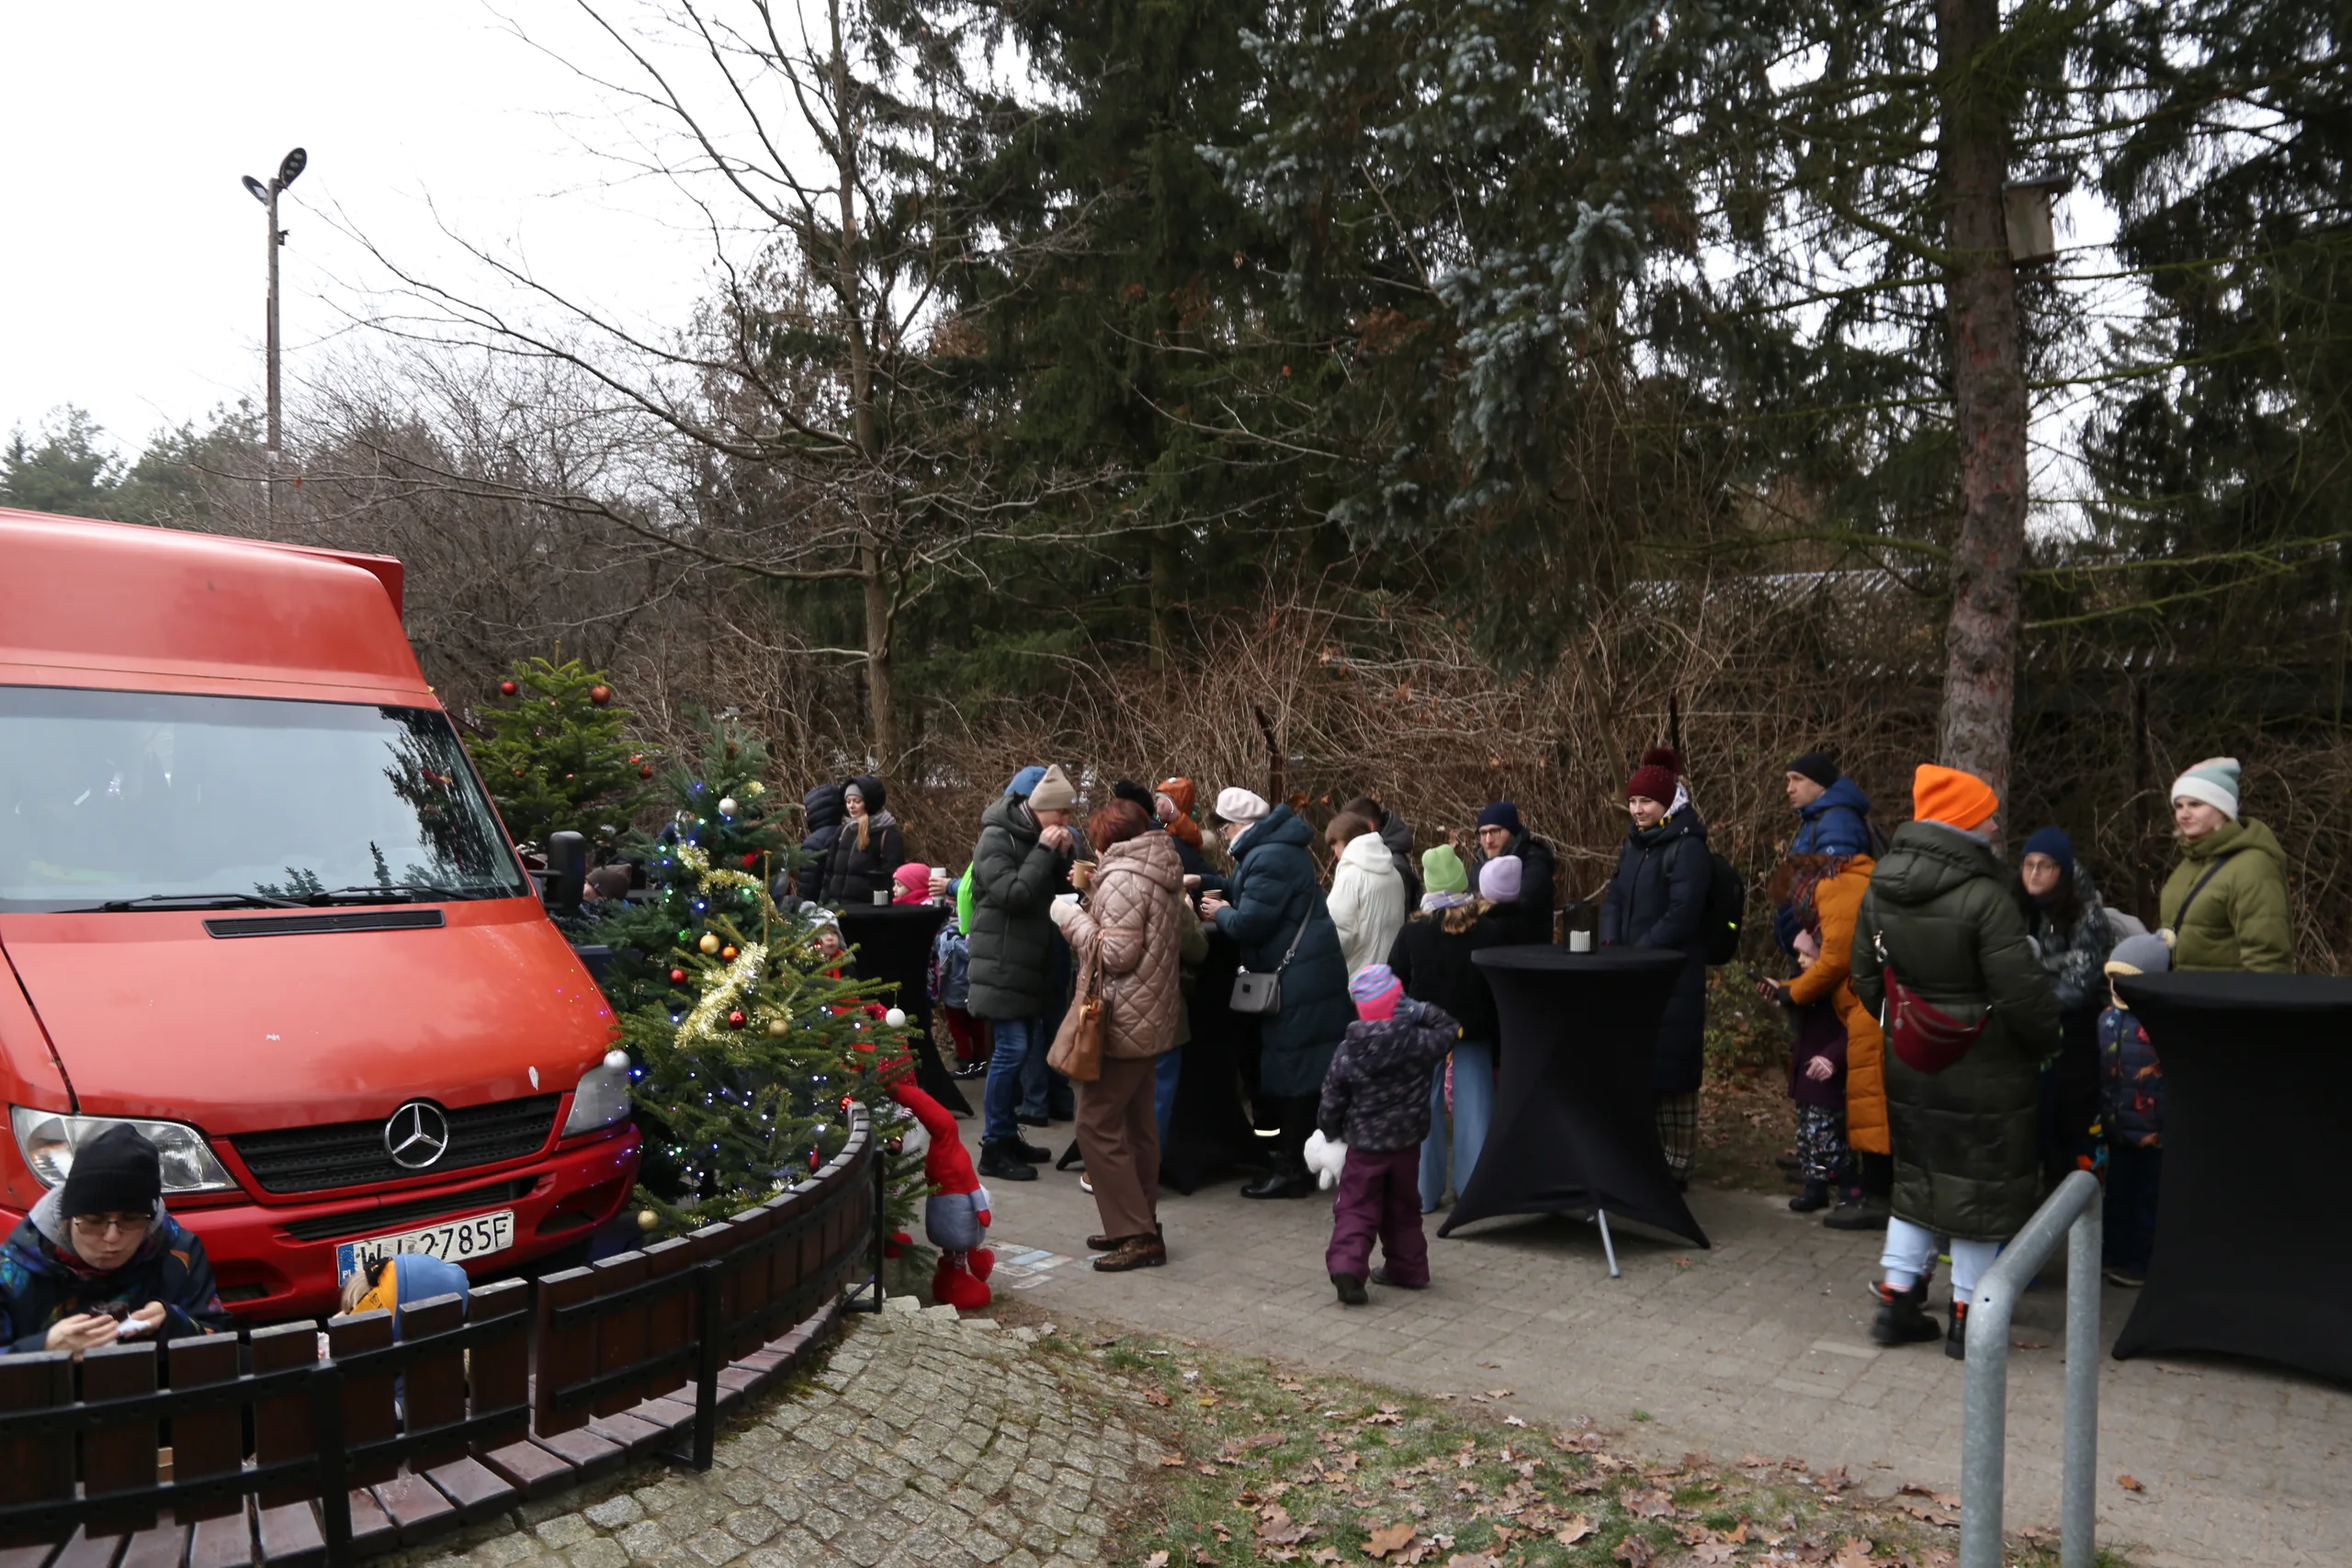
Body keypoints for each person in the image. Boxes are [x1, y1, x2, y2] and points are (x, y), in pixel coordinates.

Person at [1851, 764, 2062, 1359]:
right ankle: (1969, 1320)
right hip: (1985, 1061)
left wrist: (1909, 1025)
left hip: (1910, 1055)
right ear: (1963, 821)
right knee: (1979, 1188)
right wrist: (2046, 1039)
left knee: (1918, 1176)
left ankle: (1896, 1301)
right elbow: (2021, 993)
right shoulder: (1986, 895)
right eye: (1987, 813)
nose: (1996, 822)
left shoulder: (1880, 883)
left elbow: (1867, 979)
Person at [1046, 798, 1187, 1272]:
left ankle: (1137, 1232)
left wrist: (1072, 920)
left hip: (1123, 1018)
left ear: (1110, 838)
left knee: (1094, 1124)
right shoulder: (1160, 869)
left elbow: (1119, 954)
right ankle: (1138, 1222)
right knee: (1136, 1125)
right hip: (1151, 1015)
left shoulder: (1126, 877)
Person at [1199, 787, 1353, 1199]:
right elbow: (1248, 888)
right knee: (1306, 1072)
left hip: (1296, 983)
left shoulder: (1268, 856)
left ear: (1241, 826)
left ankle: (1293, 1168)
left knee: (1293, 1074)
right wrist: (1208, 882)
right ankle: (1310, 1157)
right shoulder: (1275, 850)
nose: (1226, 835)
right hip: (1309, 977)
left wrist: (1221, 912)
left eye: (1227, 827)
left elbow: (1250, 921)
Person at [1, 1124, 232, 1354]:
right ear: (68, 1218)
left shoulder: (180, 1253)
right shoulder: (11, 1271)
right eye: (93, 1220)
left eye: (131, 1219)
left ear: (150, 1221)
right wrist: (43, 1348)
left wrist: (172, 1323)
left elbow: (222, 1345)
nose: (112, 1238)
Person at [1600, 749, 1712, 1190]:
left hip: (1673, 979)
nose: (1637, 809)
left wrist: (1640, 953)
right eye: (1632, 802)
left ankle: (1676, 1169)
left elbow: (1683, 915)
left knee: (1674, 1072)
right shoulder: (1633, 844)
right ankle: (1641, 1162)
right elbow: (1614, 899)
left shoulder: (1688, 849)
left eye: (1645, 802)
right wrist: (1611, 946)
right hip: (1633, 975)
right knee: (1639, 1065)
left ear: (1666, 802)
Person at [1317, 966, 1461, 1304]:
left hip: (1364, 1147)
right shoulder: (1418, 1042)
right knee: (1403, 1207)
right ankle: (1408, 1268)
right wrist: (1424, 1010)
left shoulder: (1348, 1051)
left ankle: (1349, 1268)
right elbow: (1452, 1029)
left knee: (1356, 1207)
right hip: (1407, 1144)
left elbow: (1331, 1100)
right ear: (1400, 1003)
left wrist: (1330, 1131)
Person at [967, 763, 1084, 1181]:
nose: (1066, 822)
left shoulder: (1036, 835)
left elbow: (1048, 889)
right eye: (1062, 815)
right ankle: (994, 1147)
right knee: (1011, 1050)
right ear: (1041, 810)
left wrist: (1066, 856)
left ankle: (1006, 1134)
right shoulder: (995, 837)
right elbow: (1013, 894)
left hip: (1027, 963)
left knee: (1019, 1047)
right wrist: (1045, 851)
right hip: (999, 962)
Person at [1768, 843, 1891, 1230]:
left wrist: (1791, 992)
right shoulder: (1848, 882)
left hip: (1867, 1006)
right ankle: (1864, 1189)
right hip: (1870, 999)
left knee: (1869, 1104)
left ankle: (1871, 1194)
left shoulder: (1830, 891)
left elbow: (1834, 959)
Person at [1387, 844, 1502, 1213]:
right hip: (1475, 1028)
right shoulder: (1489, 931)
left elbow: (1394, 981)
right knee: (1476, 1112)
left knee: (1423, 1109)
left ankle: (1422, 1192)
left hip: (1424, 1028)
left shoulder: (1414, 933)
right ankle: (1473, 1190)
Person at [2012, 827, 2117, 1187]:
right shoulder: (2017, 907)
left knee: (2071, 1123)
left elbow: (2080, 985)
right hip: (2034, 1031)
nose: (2035, 874)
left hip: (2077, 1033)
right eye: (2029, 864)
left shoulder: (2087, 915)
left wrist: (2028, 995)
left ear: (2063, 871)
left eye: (2045, 865)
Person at [2158, 758, 2293, 973]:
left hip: (2225, 1002)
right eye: (2179, 806)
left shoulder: (2253, 866)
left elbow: (2267, 957)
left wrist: (2252, 1004)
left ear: (2222, 809)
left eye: (2195, 804)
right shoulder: (2188, 863)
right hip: (2182, 1000)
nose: (2184, 814)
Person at [2098, 932, 2171, 1287]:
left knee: (2147, 1200)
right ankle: (2109, 1253)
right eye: (2114, 977)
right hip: (2117, 1127)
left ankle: (2140, 1262)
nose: (2117, 986)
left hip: (2153, 1131)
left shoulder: (2164, 1023)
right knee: (2116, 1196)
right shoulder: (2106, 1020)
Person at [1770, 929, 1849, 1213]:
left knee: (1824, 1137)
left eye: (1807, 955)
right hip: (1807, 1077)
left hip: (1826, 1079)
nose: (1801, 960)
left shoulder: (1836, 994)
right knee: (1807, 1136)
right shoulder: (1808, 989)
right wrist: (1779, 992)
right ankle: (1815, 1185)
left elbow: (1850, 1032)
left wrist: (1832, 1058)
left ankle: (1848, 1183)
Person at [1775, 752, 1876, 950]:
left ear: (1820, 783)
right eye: (1788, 781)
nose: (1789, 789)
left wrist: (1811, 940)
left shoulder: (1838, 822)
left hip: (1820, 946)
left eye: (1797, 779)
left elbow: (1837, 891)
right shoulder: (1818, 820)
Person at [1327, 812, 1407, 977]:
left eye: (1334, 846)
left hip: (1358, 982)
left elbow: (1337, 935)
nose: (1335, 854)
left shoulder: (1350, 877)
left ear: (1342, 840)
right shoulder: (1394, 873)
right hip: (1388, 978)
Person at [1472, 801, 1557, 945]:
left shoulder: (1534, 864)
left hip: (1528, 955)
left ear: (1512, 832)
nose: (1488, 840)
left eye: (1495, 831)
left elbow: (1521, 904)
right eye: (1483, 833)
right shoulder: (1478, 868)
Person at [819, 776, 907, 907]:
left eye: (857, 801)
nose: (851, 806)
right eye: (848, 801)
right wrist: (822, 905)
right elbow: (829, 874)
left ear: (869, 802)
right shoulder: (843, 831)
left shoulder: (887, 835)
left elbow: (892, 879)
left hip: (867, 913)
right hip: (835, 910)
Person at [1340, 795, 1421, 905]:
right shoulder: (1375, 860)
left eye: (1350, 831)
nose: (1346, 838)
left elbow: (1397, 919)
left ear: (1370, 827)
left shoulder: (1394, 867)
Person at [785, 782, 846, 901]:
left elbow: (809, 888)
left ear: (817, 811)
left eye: (807, 810)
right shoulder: (848, 834)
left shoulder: (814, 844)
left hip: (824, 910)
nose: (805, 814)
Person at [1153, 778, 1213, 881]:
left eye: (1161, 801)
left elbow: (1194, 837)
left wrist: (1174, 815)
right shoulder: (1163, 825)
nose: (1157, 806)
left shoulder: (1184, 825)